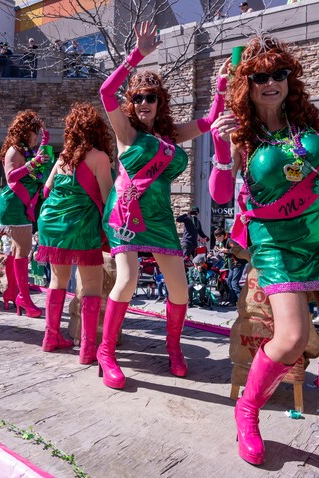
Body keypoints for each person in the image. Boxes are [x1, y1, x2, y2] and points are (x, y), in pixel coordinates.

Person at [209, 34, 319, 474]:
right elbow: (222, 194)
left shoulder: (307, 127)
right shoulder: (240, 134)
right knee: (292, 338)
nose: (271, 82)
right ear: (249, 84)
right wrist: (222, 150)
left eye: (279, 73)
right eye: (260, 76)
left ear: (289, 79)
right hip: (277, 244)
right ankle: (247, 410)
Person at [97, 21, 228, 389]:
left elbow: (210, 120)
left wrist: (220, 86)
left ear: (160, 102)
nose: (142, 103)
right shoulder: (127, 132)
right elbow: (106, 91)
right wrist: (136, 56)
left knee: (181, 289)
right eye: (137, 98)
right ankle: (107, 352)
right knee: (127, 279)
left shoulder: (170, 135)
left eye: (150, 97)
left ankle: (174, 347)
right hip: (127, 211)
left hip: (160, 217)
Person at [36, 103, 114, 360]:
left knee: (56, 281)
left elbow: (46, 191)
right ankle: (87, 348)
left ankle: (50, 337)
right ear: (97, 130)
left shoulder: (63, 157)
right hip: (82, 227)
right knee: (92, 285)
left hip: (52, 226)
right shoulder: (99, 158)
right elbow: (107, 200)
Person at [0, 110, 50, 318]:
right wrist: (33, 163)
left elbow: (39, 152)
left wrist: (45, 135)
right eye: (34, 132)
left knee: (19, 250)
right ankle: (23, 299)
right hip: (14, 204)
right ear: (25, 132)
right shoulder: (14, 151)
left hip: (20, 204)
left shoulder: (27, 150)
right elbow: (11, 177)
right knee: (23, 250)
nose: (36, 137)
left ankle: (14, 293)